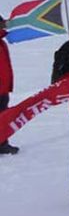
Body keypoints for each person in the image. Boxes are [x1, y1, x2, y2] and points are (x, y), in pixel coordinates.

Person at [0, 15, 19, 155]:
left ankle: (2, 143)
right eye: (2, 23)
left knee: (3, 117)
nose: (5, 25)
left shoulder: (2, 43)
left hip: (3, 88)